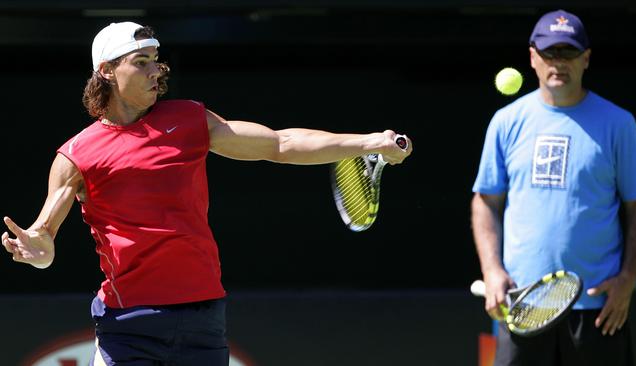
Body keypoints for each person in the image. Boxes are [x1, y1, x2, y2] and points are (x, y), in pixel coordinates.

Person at [1, 21, 412, 365]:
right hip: (128, 324)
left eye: (156, 62)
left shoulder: (189, 120)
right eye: (140, 63)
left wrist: (369, 141)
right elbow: (44, 236)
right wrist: (37, 250)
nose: (155, 72)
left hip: (202, 318)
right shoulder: (76, 155)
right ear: (107, 71)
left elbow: (280, 144)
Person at [471, 9, 636, 366]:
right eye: (550, 52)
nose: (559, 62)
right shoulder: (506, 122)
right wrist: (492, 271)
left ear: (586, 59)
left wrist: (628, 277)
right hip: (523, 305)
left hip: (598, 310)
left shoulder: (619, 124)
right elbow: (485, 202)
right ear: (533, 57)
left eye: (568, 53)